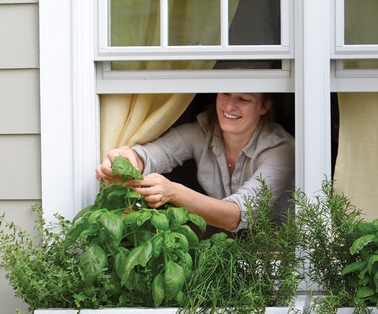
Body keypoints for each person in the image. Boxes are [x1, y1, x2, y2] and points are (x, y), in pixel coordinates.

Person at [96, 93, 294, 232]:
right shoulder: (203, 132)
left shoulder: (281, 150)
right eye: (225, 93)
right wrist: (126, 157)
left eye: (243, 99)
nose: (229, 106)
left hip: (282, 255)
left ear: (264, 106)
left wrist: (173, 191)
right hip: (233, 251)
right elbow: (154, 155)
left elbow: (236, 215)